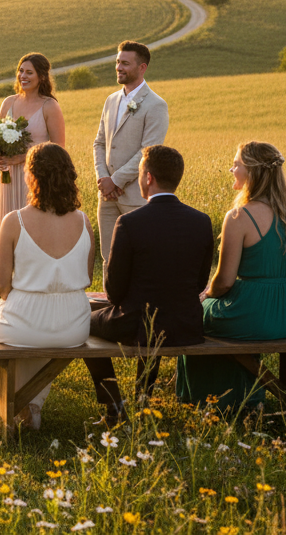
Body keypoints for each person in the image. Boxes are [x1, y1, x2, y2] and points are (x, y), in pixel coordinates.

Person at [83, 145, 214, 424]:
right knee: (149, 313)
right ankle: (143, 399)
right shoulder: (201, 221)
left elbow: (115, 293)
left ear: (148, 177)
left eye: (141, 172)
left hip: (138, 324)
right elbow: (200, 282)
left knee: (83, 324)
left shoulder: (129, 223)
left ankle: (114, 406)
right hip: (186, 325)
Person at [178, 141, 286, 411]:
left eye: (236, 164)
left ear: (252, 173)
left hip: (254, 312)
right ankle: (247, 396)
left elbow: (225, 281)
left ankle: (208, 400)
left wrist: (205, 295)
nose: (231, 169)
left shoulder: (239, 217)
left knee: (190, 316)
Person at [0, 142, 92, 430]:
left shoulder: (14, 221)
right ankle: (31, 405)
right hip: (73, 326)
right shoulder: (84, 221)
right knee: (24, 328)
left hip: (25, 323)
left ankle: (1, 413)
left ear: (31, 176)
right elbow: (87, 277)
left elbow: (1, 285)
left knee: (5, 323)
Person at [92, 41, 169, 265]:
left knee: (137, 258)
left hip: (135, 195)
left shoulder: (156, 105)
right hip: (106, 195)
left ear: (142, 67)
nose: (119, 67)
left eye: (125, 63)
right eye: (117, 62)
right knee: (109, 257)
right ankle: (112, 299)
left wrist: (116, 181)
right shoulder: (111, 100)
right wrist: (102, 178)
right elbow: (99, 143)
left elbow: (148, 152)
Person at [0, 53, 67, 233]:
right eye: (20, 71)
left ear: (41, 76)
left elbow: (58, 148)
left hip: (38, 176)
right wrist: (0, 155)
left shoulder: (50, 106)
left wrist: (21, 158)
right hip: (9, 177)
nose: (23, 76)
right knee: (9, 224)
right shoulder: (8, 103)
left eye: (29, 72)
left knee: (33, 228)